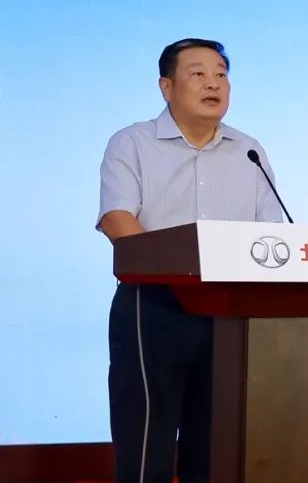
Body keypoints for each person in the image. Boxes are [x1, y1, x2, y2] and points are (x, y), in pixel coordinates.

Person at [97, 38, 283, 483]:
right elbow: (116, 218)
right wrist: (170, 270)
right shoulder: (132, 142)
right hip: (154, 308)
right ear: (166, 87)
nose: (212, 83)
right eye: (198, 74)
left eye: (221, 74)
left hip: (231, 312)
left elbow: (271, 231)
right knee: (148, 443)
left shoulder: (249, 151)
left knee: (217, 444)